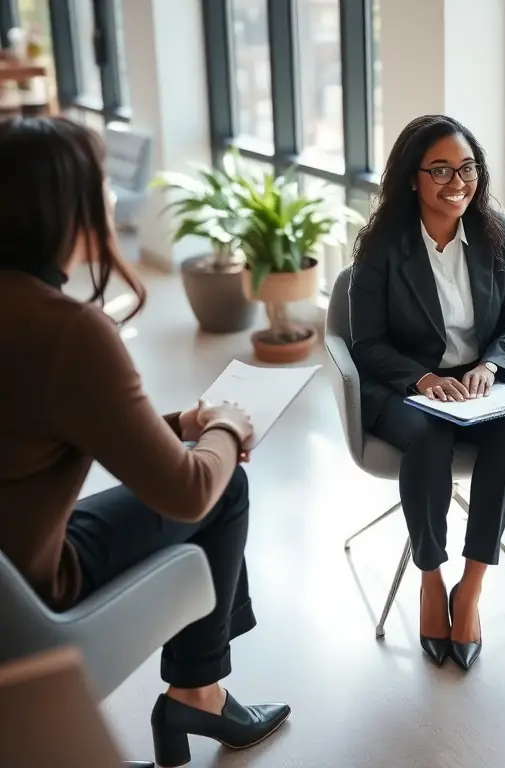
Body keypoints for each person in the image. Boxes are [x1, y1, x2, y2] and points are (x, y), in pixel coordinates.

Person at [0, 117, 290, 768]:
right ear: (64, 207)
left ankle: (198, 690)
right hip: (29, 604)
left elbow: (35, 430)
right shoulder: (68, 332)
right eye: (99, 187)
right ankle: (198, 692)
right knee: (225, 485)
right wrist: (225, 428)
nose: (108, 202)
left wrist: (175, 425)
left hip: (9, 558)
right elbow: (186, 494)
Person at [348, 114, 505, 671]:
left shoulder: (495, 232)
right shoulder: (381, 246)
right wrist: (424, 380)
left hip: (480, 387)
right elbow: (366, 344)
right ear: (412, 178)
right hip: (406, 388)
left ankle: (473, 586)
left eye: (467, 168)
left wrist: (493, 366)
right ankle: (430, 579)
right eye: (440, 170)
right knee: (428, 443)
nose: (458, 182)